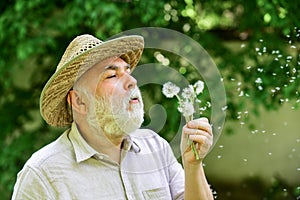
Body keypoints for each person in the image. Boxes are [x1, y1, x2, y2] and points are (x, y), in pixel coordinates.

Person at [12, 34, 214, 200]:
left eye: (127, 71)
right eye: (112, 75)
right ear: (79, 101)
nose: (132, 81)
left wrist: (193, 165)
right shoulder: (42, 175)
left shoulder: (156, 147)